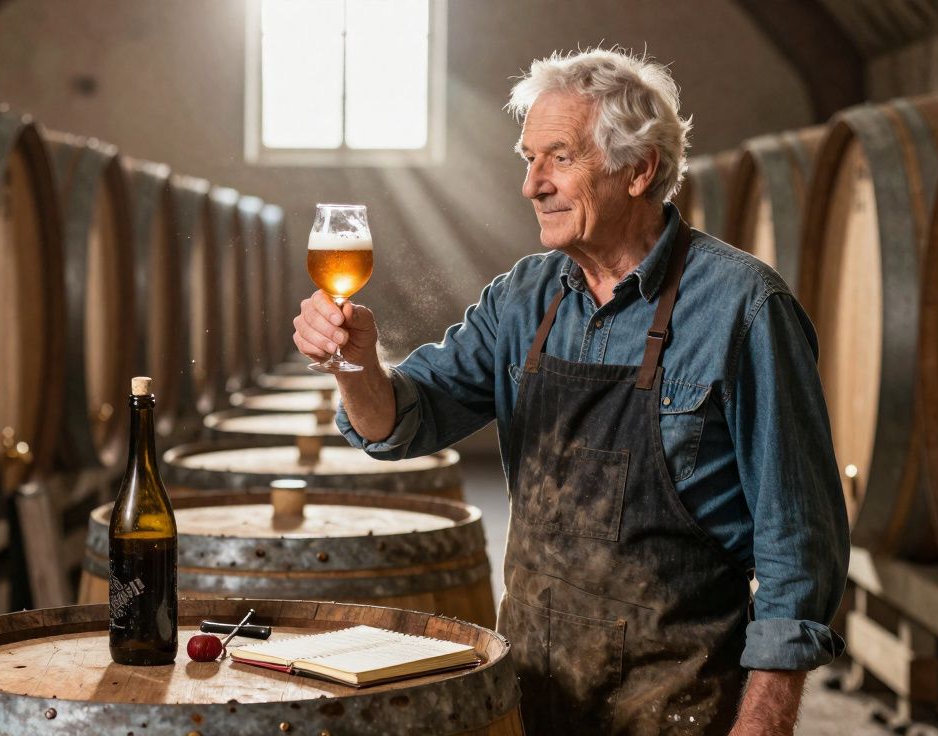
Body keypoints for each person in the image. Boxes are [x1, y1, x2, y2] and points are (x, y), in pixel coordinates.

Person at [292, 48, 848, 735]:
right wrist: (354, 364)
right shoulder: (523, 297)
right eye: (528, 159)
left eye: (559, 158)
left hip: (679, 704)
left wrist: (764, 724)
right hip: (530, 693)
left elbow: (798, 547)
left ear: (639, 170)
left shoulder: (743, 308)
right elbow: (402, 423)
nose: (531, 185)